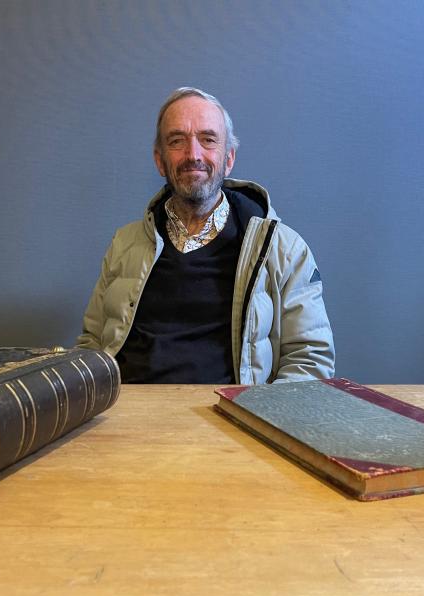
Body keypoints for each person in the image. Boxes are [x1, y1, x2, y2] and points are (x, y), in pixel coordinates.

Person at [77, 87, 335, 384]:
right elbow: (91, 346)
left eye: (208, 140)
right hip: (127, 414)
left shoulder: (283, 249)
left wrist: (260, 418)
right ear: (160, 160)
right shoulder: (124, 244)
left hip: (230, 420)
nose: (193, 155)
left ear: (229, 158)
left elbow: (310, 359)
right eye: (177, 141)